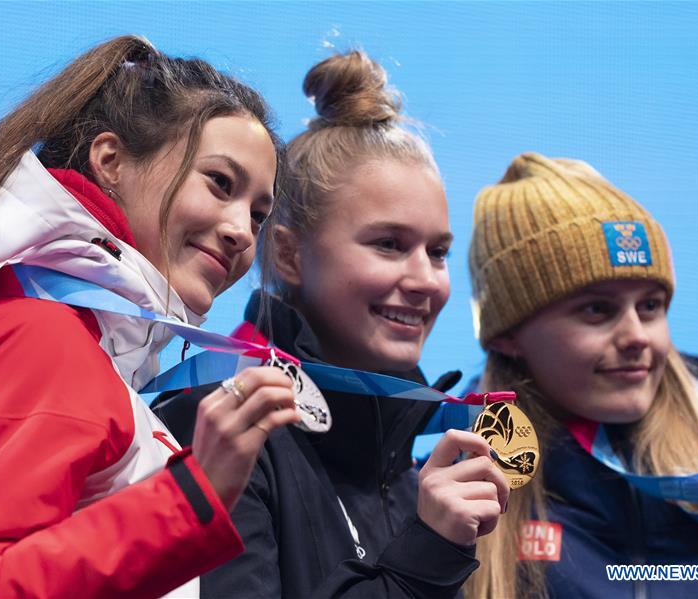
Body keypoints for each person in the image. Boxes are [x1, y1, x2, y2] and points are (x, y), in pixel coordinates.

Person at [0, 35, 303, 598]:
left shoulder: (80, 347)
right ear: (111, 162)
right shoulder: (39, 338)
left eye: (258, 214)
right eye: (219, 184)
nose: (241, 232)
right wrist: (190, 500)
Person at [156, 50, 508, 598]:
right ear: (289, 255)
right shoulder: (217, 428)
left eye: (437, 252)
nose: (425, 280)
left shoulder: (410, 465)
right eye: (389, 244)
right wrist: (425, 558)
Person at [460, 152, 698, 598]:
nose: (637, 336)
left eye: (650, 306)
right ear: (508, 335)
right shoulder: (456, 505)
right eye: (597, 309)